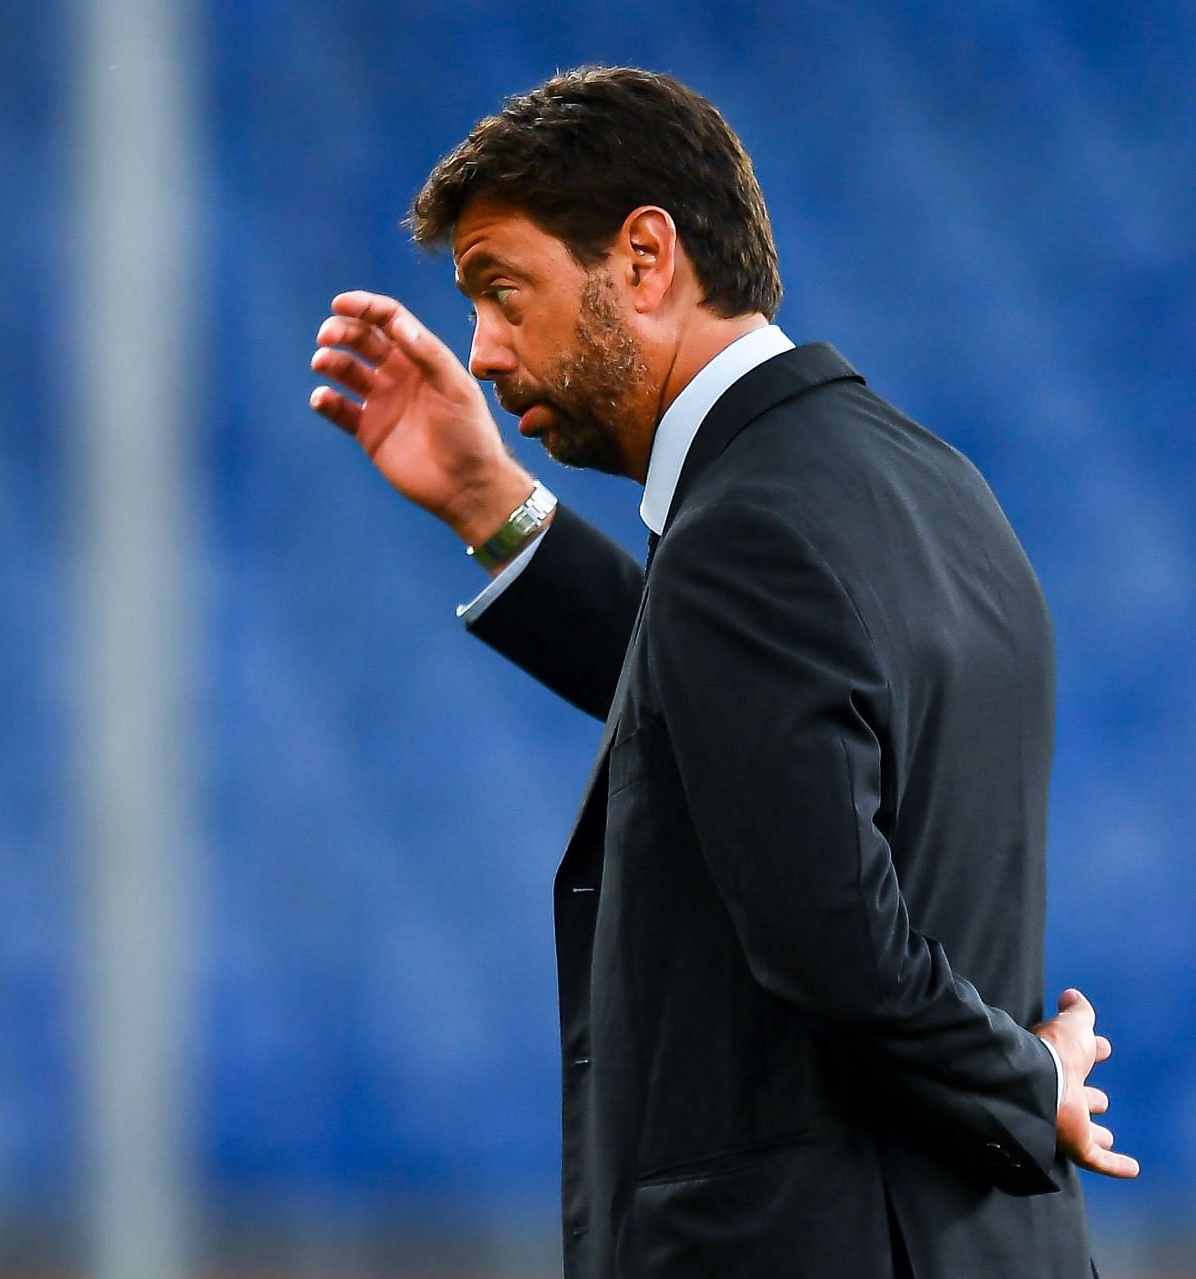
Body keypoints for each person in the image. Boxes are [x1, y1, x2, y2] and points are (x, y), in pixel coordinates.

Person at [308, 66, 1135, 1278]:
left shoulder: (743, 533)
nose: (482, 351)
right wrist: (492, 504)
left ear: (645, 258)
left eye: (503, 290)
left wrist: (1029, 1082)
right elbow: (741, 725)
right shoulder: (928, 481)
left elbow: (836, 943)